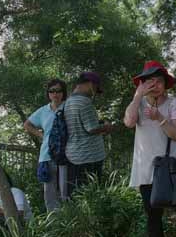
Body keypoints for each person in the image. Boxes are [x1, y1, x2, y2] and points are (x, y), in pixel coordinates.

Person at [123, 61, 176, 237]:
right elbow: (129, 122)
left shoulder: (173, 103)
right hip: (147, 169)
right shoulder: (138, 104)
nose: (154, 85)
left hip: (173, 167)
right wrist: (137, 96)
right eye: (149, 81)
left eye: (159, 81)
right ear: (142, 84)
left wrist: (160, 118)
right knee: (153, 216)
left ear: (166, 84)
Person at [62, 71, 114, 198]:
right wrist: (107, 127)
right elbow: (91, 129)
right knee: (91, 195)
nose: (94, 93)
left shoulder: (69, 101)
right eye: (95, 88)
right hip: (89, 157)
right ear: (91, 84)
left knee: (76, 195)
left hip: (74, 155)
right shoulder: (84, 102)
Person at [23, 79, 67, 212]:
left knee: (66, 191)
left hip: (67, 154)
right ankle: (54, 222)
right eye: (52, 91)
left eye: (58, 91)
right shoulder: (43, 111)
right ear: (48, 93)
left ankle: (70, 220)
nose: (55, 94)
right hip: (47, 155)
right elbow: (27, 124)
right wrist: (41, 135)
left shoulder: (69, 107)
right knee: (50, 194)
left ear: (63, 92)